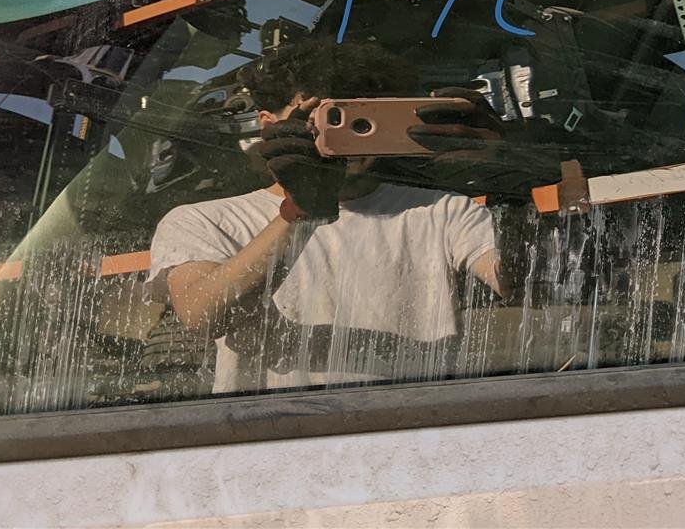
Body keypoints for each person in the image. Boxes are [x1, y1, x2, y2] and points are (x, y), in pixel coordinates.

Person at [148, 39, 510, 394]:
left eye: (359, 119)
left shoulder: (444, 211)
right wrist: (299, 212)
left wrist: (510, 178)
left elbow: (518, 283)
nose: (338, 134)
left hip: (420, 425)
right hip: (271, 429)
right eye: (319, 118)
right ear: (267, 125)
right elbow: (203, 316)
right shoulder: (206, 220)